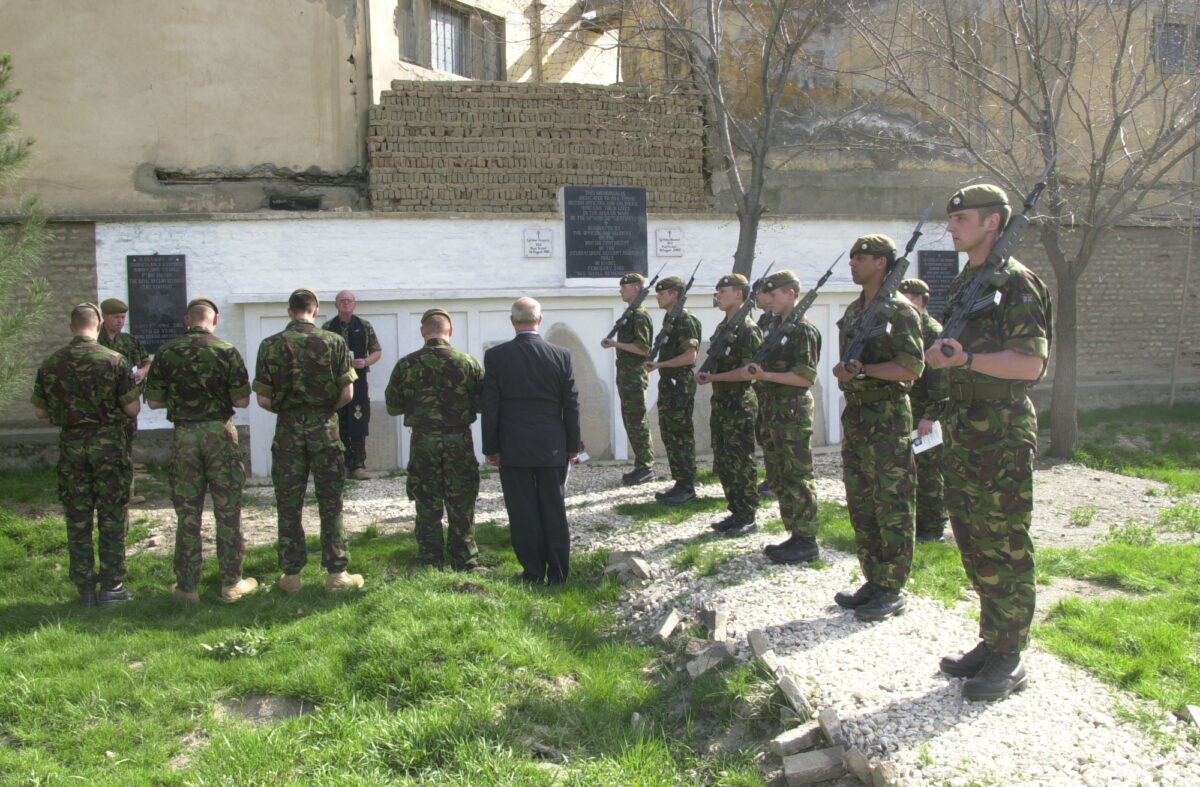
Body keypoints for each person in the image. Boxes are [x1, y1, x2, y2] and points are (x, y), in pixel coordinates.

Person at [926, 184, 1053, 702]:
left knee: (1004, 540)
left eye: (962, 219)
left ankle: (1010, 654)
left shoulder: (1017, 283)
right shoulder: (968, 281)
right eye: (951, 218)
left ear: (993, 223)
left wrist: (965, 361)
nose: (951, 227)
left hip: (999, 431)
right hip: (963, 428)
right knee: (974, 539)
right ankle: (992, 637)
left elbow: (1031, 364)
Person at [831, 236, 924, 622]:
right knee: (862, 503)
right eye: (852, 256)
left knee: (893, 504)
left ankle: (893, 586)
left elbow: (912, 368)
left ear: (883, 263)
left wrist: (865, 370)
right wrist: (844, 373)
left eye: (861, 257)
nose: (853, 263)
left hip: (887, 417)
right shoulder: (854, 311)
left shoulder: (900, 312)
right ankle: (874, 578)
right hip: (857, 416)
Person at [144, 297, 258, 604]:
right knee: (228, 511)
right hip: (220, 435)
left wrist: (183, 400)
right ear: (215, 320)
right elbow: (243, 400)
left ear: (186, 320)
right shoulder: (226, 351)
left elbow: (153, 401)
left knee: (188, 514)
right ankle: (231, 583)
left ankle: (187, 587)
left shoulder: (167, 353)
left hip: (185, 437)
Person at [253, 288, 364, 594]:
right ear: (314, 311)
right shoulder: (334, 342)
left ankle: (291, 576)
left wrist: (289, 409)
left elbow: (263, 398)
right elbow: (348, 394)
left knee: (289, 503)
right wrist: (323, 410)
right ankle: (336, 574)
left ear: (290, 312)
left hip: (288, 429)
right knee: (331, 503)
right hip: (325, 429)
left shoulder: (270, 345)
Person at [32, 303, 140, 606]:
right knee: (112, 515)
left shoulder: (52, 363)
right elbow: (132, 408)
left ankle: (84, 590)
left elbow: (40, 410)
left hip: (72, 449)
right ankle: (112, 586)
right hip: (109, 448)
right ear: (97, 326)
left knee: (78, 517)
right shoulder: (115, 361)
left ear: (71, 327)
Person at [482, 297, 580, 585]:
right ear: (540, 319)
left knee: (522, 508)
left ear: (512, 321)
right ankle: (559, 573)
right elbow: (572, 403)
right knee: (554, 505)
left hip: (513, 442)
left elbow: (491, 405)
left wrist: (491, 447)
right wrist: (572, 445)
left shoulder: (497, 356)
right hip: (551, 443)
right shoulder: (561, 355)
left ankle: (534, 571)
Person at [385, 308, 484, 571]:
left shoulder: (407, 364)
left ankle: (430, 558)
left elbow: (393, 406)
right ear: (450, 331)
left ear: (422, 332)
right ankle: (465, 558)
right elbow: (482, 403)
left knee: (427, 499)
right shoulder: (468, 363)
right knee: (461, 499)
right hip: (458, 440)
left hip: (423, 441)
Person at [745, 271, 822, 564]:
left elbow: (805, 377)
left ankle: (807, 540)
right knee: (780, 474)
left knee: (798, 475)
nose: (769, 299)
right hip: (773, 409)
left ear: (791, 292)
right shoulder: (776, 326)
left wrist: (765, 375)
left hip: (792, 411)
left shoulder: (803, 330)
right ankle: (794, 534)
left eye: (774, 294)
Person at [696, 274, 762, 537]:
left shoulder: (748, 329)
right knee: (724, 458)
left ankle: (748, 515)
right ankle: (735, 510)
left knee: (741, 460)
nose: (718, 295)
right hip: (722, 402)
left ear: (739, 294)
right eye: (718, 290)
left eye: (723, 290)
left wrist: (713, 377)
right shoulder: (724, 327)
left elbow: (749, 371)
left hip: (740, 403)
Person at [898, 278, 950, 542]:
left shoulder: (932, 331)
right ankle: (919, 522)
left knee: (929, 471)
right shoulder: (911, 328)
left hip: (928, 416)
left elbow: (941, 379)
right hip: (911, 411)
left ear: (919, 300)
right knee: (913, 470)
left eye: (904, 298)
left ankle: (933, 525)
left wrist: (931, 416)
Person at [644, 276, 701, 505]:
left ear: (675, 294)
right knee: (669, 432)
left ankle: (687, 485)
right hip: (670, 383)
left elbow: (691, 356)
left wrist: (660, 365)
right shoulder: (671, 318)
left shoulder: (685, 319)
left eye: (662, 293)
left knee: (680, 434)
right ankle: (680, 481)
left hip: (680, 383)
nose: (658, 296)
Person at [600, 272, 655, 486]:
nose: (621, 290)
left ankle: (646, 466)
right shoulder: (631, 313)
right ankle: (642, 464)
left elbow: (643, 348)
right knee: (631, 421)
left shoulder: (640, 315)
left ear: (636, 289)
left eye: (625, 286)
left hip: (634, 375)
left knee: (637, 421)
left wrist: (615, 344)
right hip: (626, 375)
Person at [322, 290, 382, 480]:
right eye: (342, 300)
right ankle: (339, 466)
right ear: (336, 304)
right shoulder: (327, 327)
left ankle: (357, 466)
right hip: (335, 383)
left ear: (354, 304)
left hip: (358, 382)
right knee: (337, 422)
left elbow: (377, 351)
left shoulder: (364, 326)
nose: (346, 303)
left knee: (358, 420)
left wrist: (365, 362)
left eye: (349, 301)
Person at [98, 298, 151, 505]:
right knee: (103, 452)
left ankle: (127, 493)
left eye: (122, 317)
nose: (120, 321)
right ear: (104, 317)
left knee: (126, 450)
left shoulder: (128, 342)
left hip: (126, 406)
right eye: (116, 317)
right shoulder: (96, 342)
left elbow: (146, 361)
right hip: (103, 407)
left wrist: (142, 373)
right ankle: (103, 494)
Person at [754, 282, 777, 500]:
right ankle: (772, 477)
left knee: (775, 436)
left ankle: (778, 481)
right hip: (762, 387)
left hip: (775, 385)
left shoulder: (782, 322)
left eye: (758, 293)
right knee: (765, 434)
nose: (755, 297)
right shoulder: (763, 321)